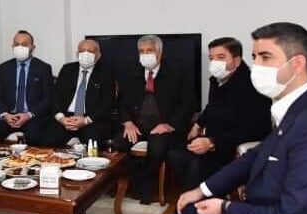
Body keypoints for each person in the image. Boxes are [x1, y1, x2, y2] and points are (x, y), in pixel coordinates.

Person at [160, 22, 307, 214]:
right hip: (267, 212)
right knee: (190, 207)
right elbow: (256, 155)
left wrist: (225, 209)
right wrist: (202, 190)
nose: (256, 65)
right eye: (255, 57)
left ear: (297, 64)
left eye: (265, 57)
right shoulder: (298, 107)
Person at [167, 38, 272, 190]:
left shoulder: (252, 86)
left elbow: (256, 129)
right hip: (213, 139)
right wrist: (198, 124)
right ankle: (191, 194)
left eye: (221, 57)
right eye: (211, 58)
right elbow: (212, 106)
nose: (214, 62)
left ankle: (202, 198)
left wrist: (212, 142)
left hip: (232, 145)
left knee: (197, 164)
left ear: (236, 61)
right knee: (176, 153)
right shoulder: (217, 80)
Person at [116, 35, 195, 204]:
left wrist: (169, 124)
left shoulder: (177, 72)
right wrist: (127, 122)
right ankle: (134, 180)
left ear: (160, 52)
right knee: (118, 145)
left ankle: (146, 185)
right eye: (141, 51)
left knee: (158, 148)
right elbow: (121, 101)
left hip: (163, 125)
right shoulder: (130, 72)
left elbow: (188, 104)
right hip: (136, 125)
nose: (145, 55)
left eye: (149, 51)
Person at [0, 30, 55, 146]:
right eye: (17, 44)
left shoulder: (43, 68)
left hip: (32, 117)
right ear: (12, 46)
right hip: (9, 116)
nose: (20, 47)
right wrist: (5, 115)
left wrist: (29, 115)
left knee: (36, 138)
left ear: (33, 47)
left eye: (24, 44)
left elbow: (47, 99)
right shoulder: (4, 68)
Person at [51, 39, 117, 148]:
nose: (86, 54)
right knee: (46, 138)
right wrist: (61, 118)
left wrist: (86, 120)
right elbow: (55, 97)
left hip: (91, 119)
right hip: (66, 117)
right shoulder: (67, 69)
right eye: (82, 51)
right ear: (77, 54)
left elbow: (107, 102)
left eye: (90, 51)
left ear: (98, 55)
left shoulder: (106, 73)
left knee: (95, 142)